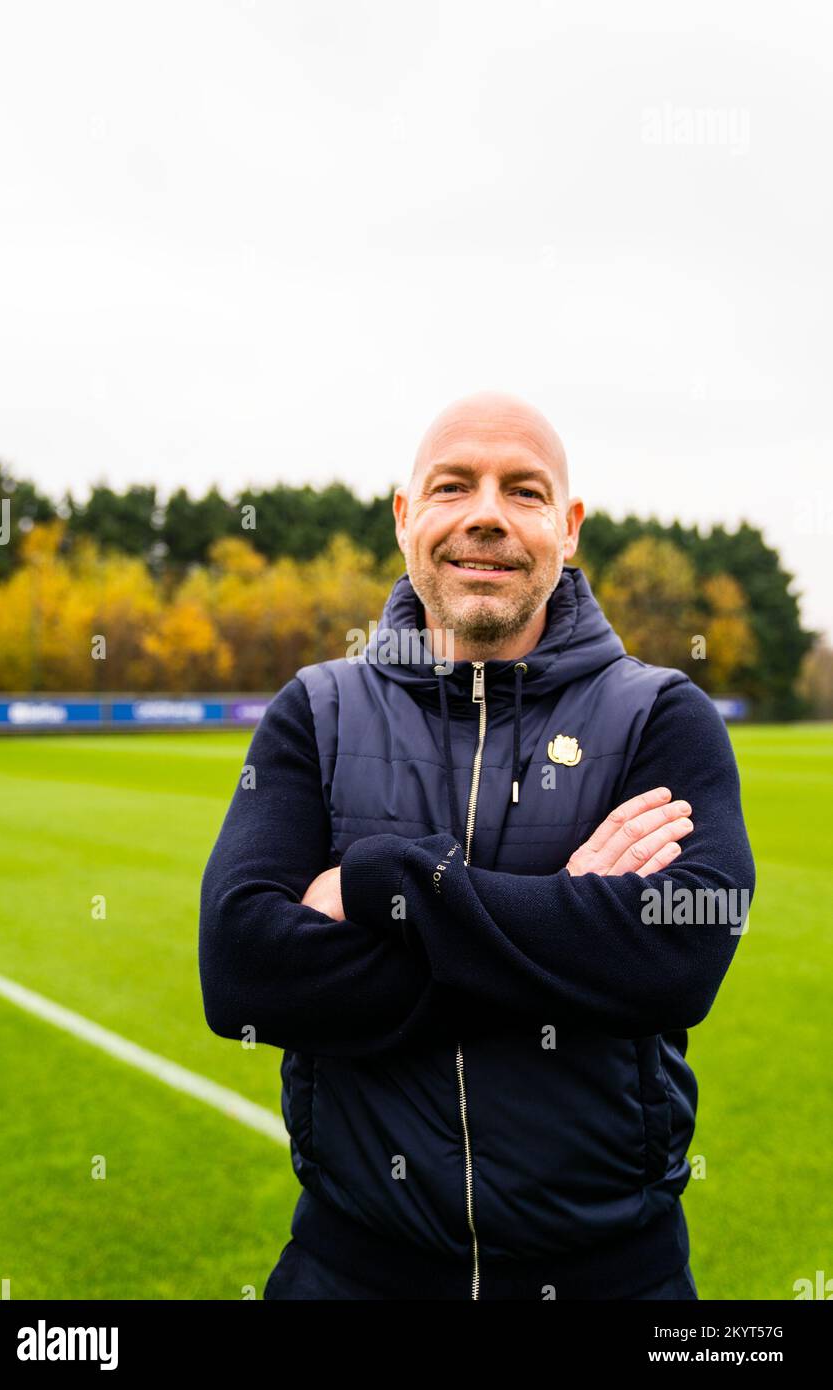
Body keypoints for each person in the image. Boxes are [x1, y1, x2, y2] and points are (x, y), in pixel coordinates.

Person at [199, 390, 755, 1300]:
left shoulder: (661, 714)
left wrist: (385, 882)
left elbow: (674, 962)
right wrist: (565, 922)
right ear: (404, 517)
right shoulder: (317, 710)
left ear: (568, 529)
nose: (486, 515)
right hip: (352, 1271)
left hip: (616, 1279)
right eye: (453, 486)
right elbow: (244, 973)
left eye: (524, 491)